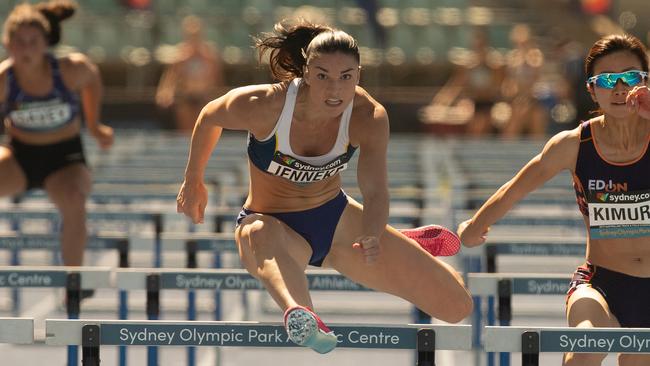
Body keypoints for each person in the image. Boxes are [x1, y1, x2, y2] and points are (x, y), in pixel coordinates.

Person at [177, 20, 472, 354]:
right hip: (270, 225)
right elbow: (208, 116)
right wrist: (193, 181)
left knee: (457, 306)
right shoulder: (266, 104)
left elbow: (375, 191)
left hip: (335, 222)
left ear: (359, 74)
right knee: (258, 232)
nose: (335, 90)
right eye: (323, 76)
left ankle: (399, 241)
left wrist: (374, 234)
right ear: (305, 72)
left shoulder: (368, 116)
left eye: (346, 77)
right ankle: (302, 316)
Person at [457, 34, 650, 366]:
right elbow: (515, 188)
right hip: (600, 283)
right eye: (606, 80)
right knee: (588, 348)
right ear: (591, 89)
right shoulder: (574, 144)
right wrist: (474, 226)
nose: (619, 88)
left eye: (631, 77)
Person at [0, 0, 113, 267]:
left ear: (46, 42)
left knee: (75, 200)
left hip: (66, 159)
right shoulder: (4, 79)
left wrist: (95, 125)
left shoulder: (68, 69)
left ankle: (73, 280)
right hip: (20, 156)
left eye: (33, 41)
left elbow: (92, 77)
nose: (26, 49)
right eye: (20, 41)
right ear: (7, 44)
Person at [422, 28, 504, 136]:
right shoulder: (468, 67)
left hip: (490, 104)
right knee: (463, 113)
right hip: (473, 104)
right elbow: (454, 87)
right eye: (476, 46)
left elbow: (497, 89)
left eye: (482, 46)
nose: (479, 49)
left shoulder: (495, 66)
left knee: (481, 122)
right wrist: (438, 104)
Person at [155, 15, 224, 132]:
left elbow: (217, 78)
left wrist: (218, 97)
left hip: (203, 97)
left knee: (203, 128)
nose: (193, 37)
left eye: (196, 34)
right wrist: (165, 92)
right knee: (186, 130)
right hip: (186, 97)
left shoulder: (209, 54)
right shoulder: (180, 55)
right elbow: (170, 77)